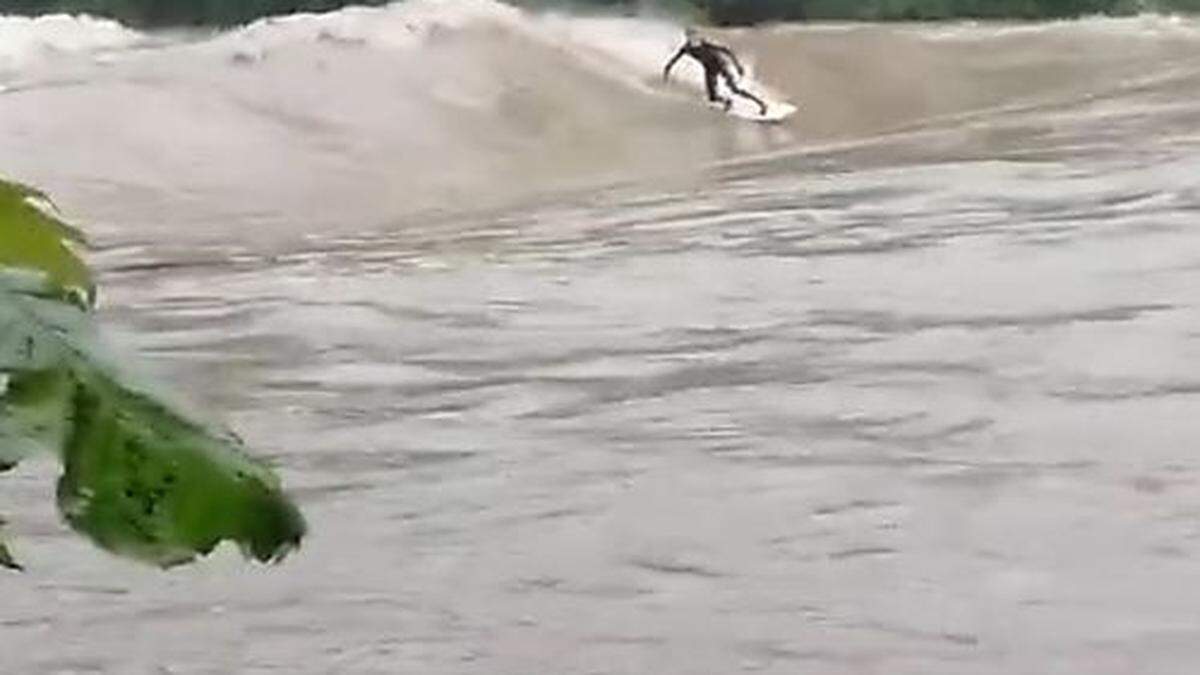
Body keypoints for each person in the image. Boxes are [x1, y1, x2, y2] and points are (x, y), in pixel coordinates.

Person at [663, 28, 768, 115]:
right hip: (709, 69)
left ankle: (761, 104)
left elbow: (727, 50)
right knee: (712, 98)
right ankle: (727, 102)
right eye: (690, 36)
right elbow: (674, 60)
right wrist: (667, 70)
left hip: (721, 65)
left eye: (694, 36)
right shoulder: (686, 49)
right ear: (687, 37)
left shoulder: (705, 43)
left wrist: (738, 66)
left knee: (735, 89)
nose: (693, 38)